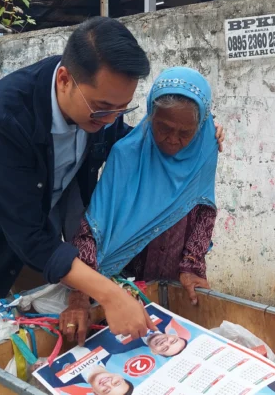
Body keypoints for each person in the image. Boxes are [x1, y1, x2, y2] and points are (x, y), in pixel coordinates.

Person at [0, 17, 167, 347]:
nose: (110, 121)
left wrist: (196, 139)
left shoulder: (100, 115)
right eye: (102, 110)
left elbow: (129, 148)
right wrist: (111, 295)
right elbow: (28, 236)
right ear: (64, 80)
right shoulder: (3, 116)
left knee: (46, 346)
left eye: (120, 110)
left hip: (38, 236)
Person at [61, 67, 218, 344]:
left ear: (202, 125)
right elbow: (93, 227)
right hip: (121, 281)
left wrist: (192, 266)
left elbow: (203, 208)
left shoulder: (204, 150)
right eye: (163, 128)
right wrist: (80, 294)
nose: (172, 139)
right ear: (150, 115)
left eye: (185, 133)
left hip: (173, 278)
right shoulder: (126, 154)